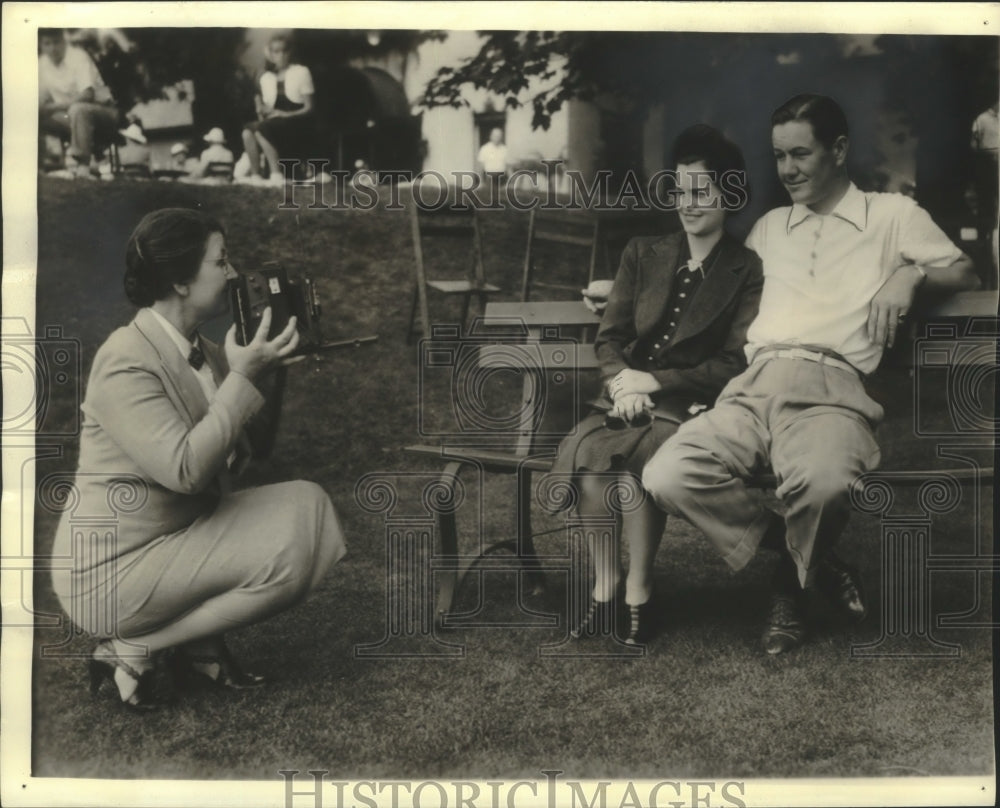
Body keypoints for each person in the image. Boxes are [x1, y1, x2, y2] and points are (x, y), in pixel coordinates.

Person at [642, 95, 979, 654]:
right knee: (667, 475)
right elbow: (712, 289)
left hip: (831, 389)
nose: (788, 170)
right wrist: (629, 297)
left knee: (825, 484)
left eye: (801, 154)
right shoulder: (771, 228)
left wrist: (910, 275)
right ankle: (810, 563)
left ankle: (787, 590)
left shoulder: (891, 215)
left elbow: (963, 267)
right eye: (779, 157)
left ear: (839, 149)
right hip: (752, 388)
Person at [50, 208, 347, 711]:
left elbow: (245, 453)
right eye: (221, 262)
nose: (233, 274)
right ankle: (139, 645)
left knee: (308, 507)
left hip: (172, 541)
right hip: (107, 570)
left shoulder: (204, 352)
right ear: (180, 282)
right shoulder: (124, 358)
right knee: (289, 550)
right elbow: (186, 470)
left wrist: (262, 372)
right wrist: (243, 379)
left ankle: (193, 647)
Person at [549, 124, 764, 644]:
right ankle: (606, 589)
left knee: (633, 470)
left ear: (730, 195)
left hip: (688, 406)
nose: (687, 204)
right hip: (621, 396)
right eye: (679, 191)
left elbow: (734, 361)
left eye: (701, 192)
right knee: (594, 467)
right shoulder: (642, 252)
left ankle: (639, 593)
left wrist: (657, 379)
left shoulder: (746, 268)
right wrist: (624, 381)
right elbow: (611, 336)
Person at [38, 28, 120, 178]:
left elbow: (87, 95)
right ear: (41, 45)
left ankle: (83, 166)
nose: (52, 48)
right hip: (68, 117)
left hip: (103, 113)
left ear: (63, 41)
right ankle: (41, 167)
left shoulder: (77, 57)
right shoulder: (42, 64)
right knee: (32, 114)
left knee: (78, 109)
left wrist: (54, 107)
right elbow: (40, 100)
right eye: (47, 44)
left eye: (56, 42)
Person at [239, 35, 314, 186]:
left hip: (297, 120)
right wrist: (262, 108)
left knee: (261, 129)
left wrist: (286, 114)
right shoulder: (267, 78)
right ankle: (256, 176)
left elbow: (309, 108)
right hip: (275, 122)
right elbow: (268, 109)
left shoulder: (301, 72)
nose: (280, 55)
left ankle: (276, 174)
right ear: (270, 54)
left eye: (284, 51)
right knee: (247, 131)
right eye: (275, 51)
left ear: (289, 52)